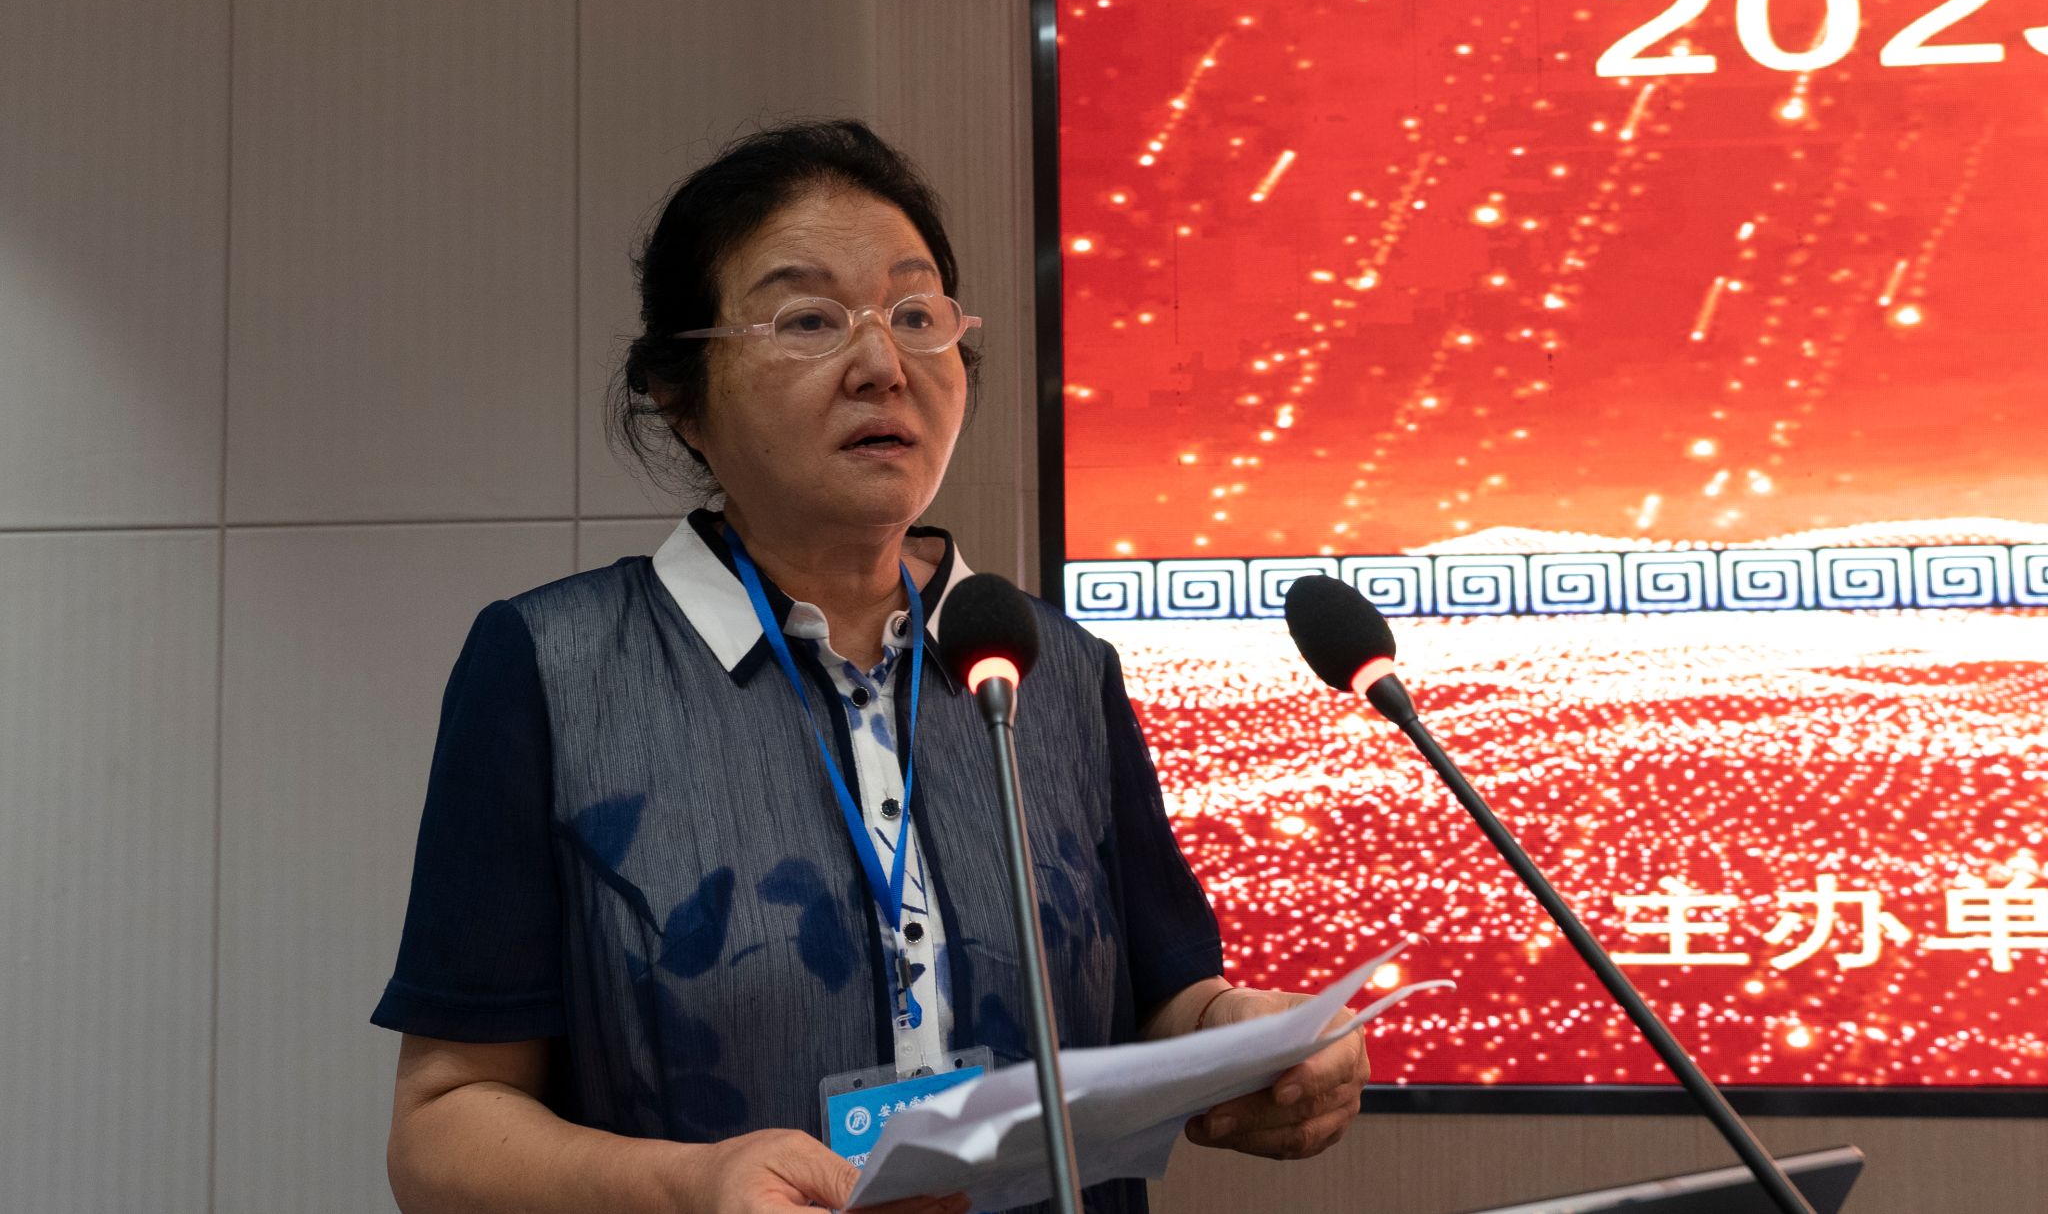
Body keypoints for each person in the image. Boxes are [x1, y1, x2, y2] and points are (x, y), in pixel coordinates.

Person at [372, 120, 1371, 1214]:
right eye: (807, 320)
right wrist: (689, 1186)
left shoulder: (1053, 670)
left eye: (915, 315)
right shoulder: (554, 669)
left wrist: (1245, 1038)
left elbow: (1162, 999)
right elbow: (442, 1126)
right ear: (679, 394)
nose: (882, 366)